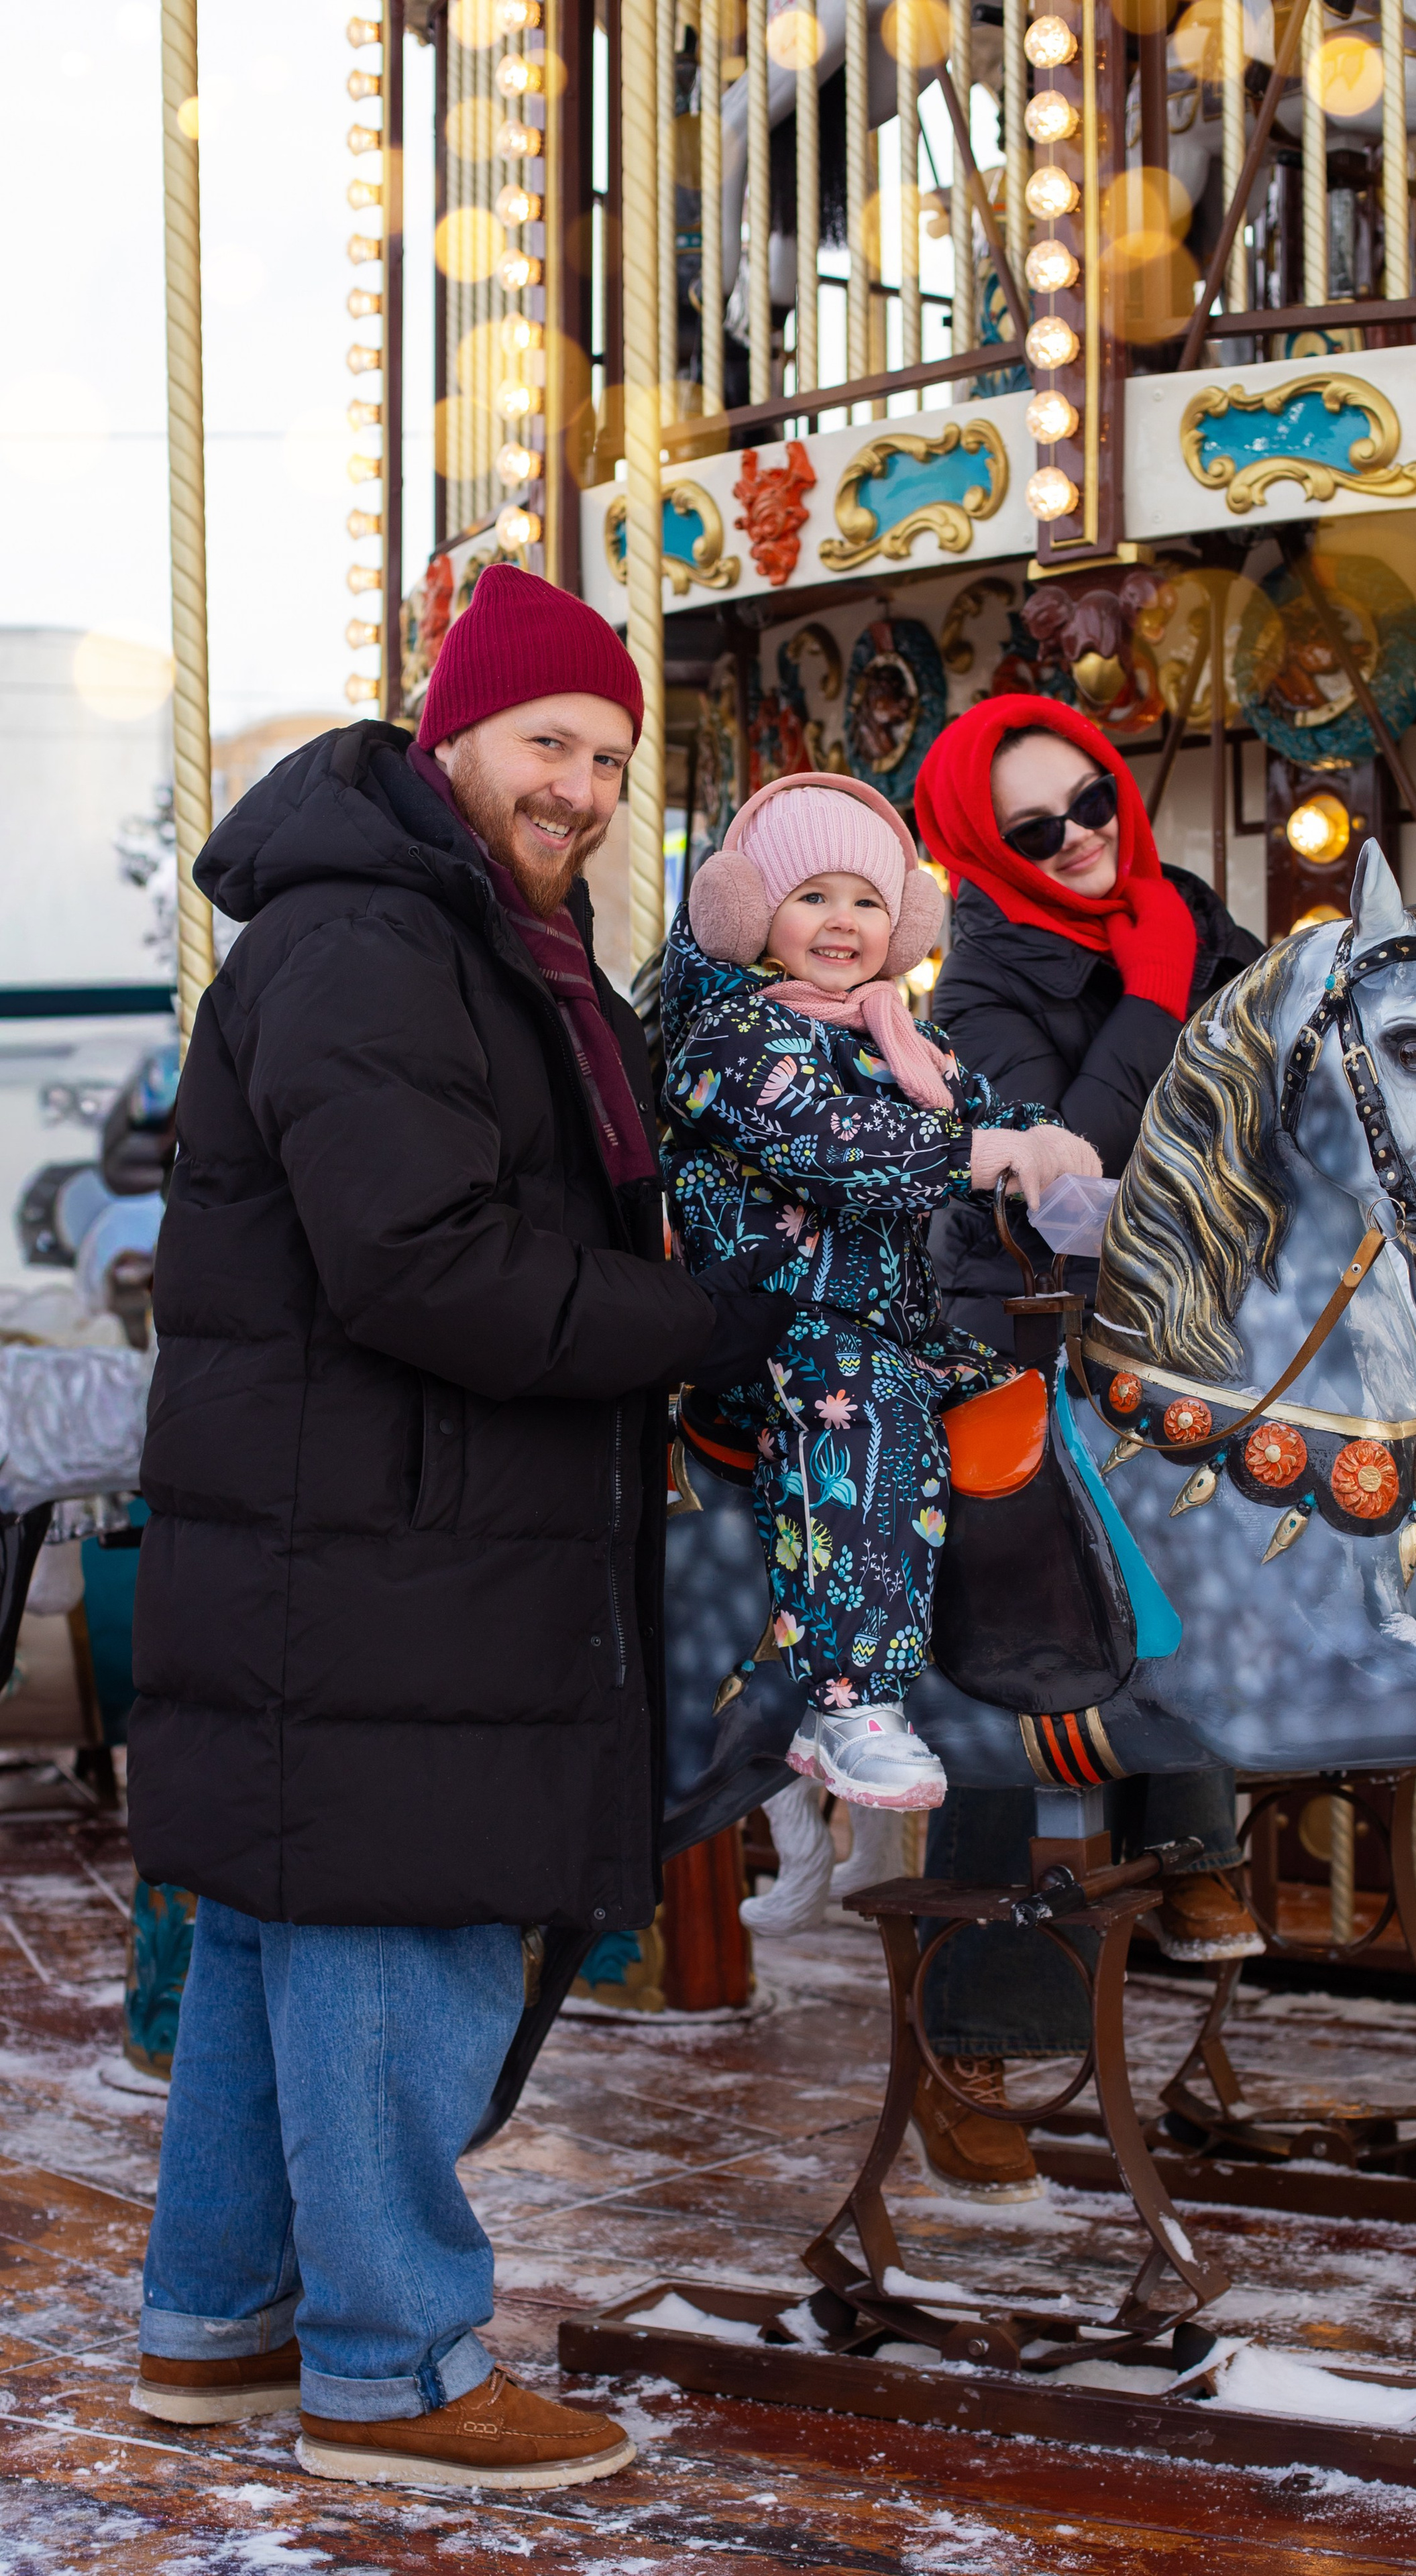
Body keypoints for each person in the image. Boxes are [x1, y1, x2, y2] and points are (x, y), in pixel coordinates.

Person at [124, 565, 792, 2489]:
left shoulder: (484, 940)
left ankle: (219, 2325)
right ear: (451, 739)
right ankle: (395, 2372)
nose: (580, 787)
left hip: (373, 1532)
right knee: (389, 1924)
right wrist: (713, 1324)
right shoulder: (373, 944)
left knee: (281, 1931)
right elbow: (424, 1262)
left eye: (607, 756)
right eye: (545, 743)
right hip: (387, 1545)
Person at [904, 695, 1264, 2201]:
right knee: (1014, 1633)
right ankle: (971, 2038)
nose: (1079, 841)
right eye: (1036, 830)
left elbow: (1279, 1054)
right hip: (1011, 1322)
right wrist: (1154, 990)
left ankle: (1189, 1816)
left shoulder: (1172, 907)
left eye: (1091, 805)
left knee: (1261, 1517)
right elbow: (1067, 1153)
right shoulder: (983, 979)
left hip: (1163, 1316)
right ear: (989, 851)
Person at [661, 772, 1100, 1809]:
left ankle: (1009, 1651)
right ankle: (849, 1701)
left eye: (865, 899)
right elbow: (834, 1146)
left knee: (1031, 1403)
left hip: (894, 1324)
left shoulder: (904, 1039)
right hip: (767, 1326)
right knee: (868, 1412)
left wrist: (1049, 1142)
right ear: (748, 908)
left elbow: (986, 1110)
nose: (843, 922)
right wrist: (986, 1150)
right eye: (812, 896)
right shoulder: (728, 1040)